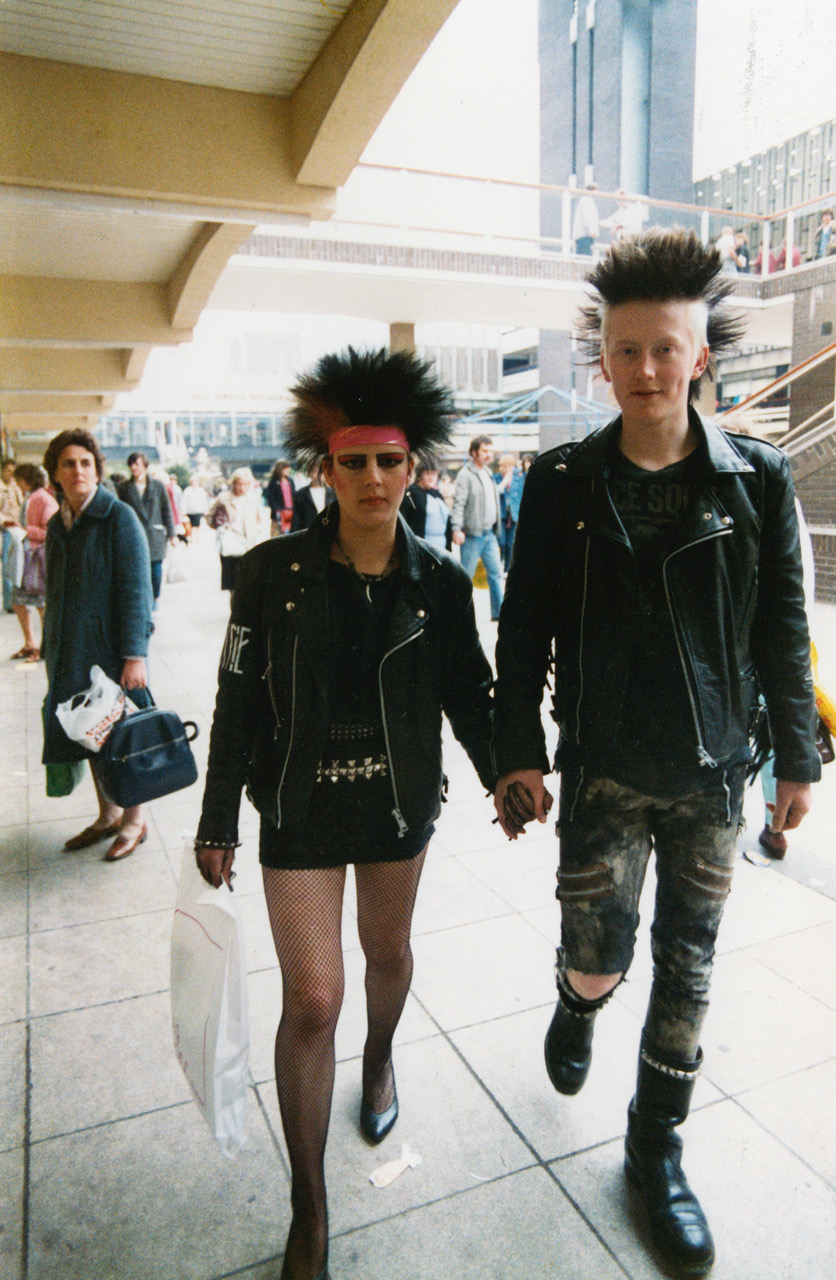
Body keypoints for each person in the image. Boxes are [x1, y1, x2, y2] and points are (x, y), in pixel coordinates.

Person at [492, 229, 820, 1278]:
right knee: (600, 954)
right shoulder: (559, 483)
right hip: (599, 768)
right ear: (602, 356)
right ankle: (574, 997)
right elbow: (521, 628)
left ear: (699, 357)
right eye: (625, 351)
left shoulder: (756, 482)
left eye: (664, 350)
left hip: (715, 776)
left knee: (687, 967)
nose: (644, 371)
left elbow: (782, 627)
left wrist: (798, 763)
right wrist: (515, 752)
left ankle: (654, 1151)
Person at [193, 347, 495, 1280]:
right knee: (313, 998)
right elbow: (237, 696)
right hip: (297, 811)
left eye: (389, 460)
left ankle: (382, 1058)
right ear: (324, 468)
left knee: (388, 957)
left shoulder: (439, 580)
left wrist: (506, 772)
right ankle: (310, 1207)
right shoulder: (270, 572)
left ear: (415, 467)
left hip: (398, 803)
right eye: (352, 461)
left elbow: (468, 693)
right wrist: (215, 821)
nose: (371, 478)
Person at [42, 428, 153, 862]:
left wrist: (135, 654)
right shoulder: (57, 523)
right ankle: (107, 816)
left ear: (97, 469)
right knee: (86, 733)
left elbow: (135, 589)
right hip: (70, 651)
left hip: (110, 653)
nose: (78, 470)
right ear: (56, 473)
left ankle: (133, 820)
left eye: (85, 462)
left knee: (123, 737)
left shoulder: (118, 516)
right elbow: (55, 591)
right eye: (68, 463)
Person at [8, 464, 58, 661]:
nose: (17, 483)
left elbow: (48, 531)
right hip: (30, 556)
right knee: (20, 601)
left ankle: (43, 647)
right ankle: (31, 643)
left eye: (19, 479)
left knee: (40, 603)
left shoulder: (42, 498)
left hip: (38, 558)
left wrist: (24, 529)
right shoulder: (32, 497)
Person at [451, 435, 504, 621]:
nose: (489, 454)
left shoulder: (488, 473)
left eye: (490, 450)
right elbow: (459, 503)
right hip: (472, 535)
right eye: (484, 451)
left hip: (489, 534)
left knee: (496, 574)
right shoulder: (466, 474)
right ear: (474, 453)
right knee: (466, 577)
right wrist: (456, 528)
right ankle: (459, 616)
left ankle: (500, 614)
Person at [117, 453, 176, 605]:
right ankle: (145, 599)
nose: (133, 467)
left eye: (136, 464)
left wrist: (172, 534)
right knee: (139, 570)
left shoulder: (157, 486)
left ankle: (155, 596)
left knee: (156, 570)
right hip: (134, 534)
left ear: (145, 466)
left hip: (154, 534)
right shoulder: (124, 488)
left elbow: (166, 510)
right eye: (131, 464)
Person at [206, 468, 266, 601]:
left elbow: (260, 520)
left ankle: (244, 615)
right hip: (230, 546)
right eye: (239, 484)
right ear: (233, 483)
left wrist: (256, 529)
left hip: (247, 545)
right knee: (233, 586)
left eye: (245, 484)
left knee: (247, 583)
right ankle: (235, 616)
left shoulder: (253, 499)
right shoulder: (223, 498)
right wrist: (221, 528)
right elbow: (210, 517)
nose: (242, 487)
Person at [400, 460, 451, 551]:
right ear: (420, 475)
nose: (431, 478)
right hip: (423, 546)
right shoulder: (411, 493)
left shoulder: (437, 494)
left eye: (434, 474)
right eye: (427, 474)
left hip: (442, 545)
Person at [1, 459, 23, 614]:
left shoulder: (17, 487)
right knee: (8, 564)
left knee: (18, 564)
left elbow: (22, 505)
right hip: (6, 529)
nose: (10, 473)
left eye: (13, 470)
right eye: (7, 470)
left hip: (19, 529)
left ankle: (17, 600)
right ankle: (9, 603)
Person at [496, 452, 524, 568]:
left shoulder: (518, 479)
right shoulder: (497, 478)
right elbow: (498, 491)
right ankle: (500, 563)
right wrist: (505, 481)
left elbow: (520, 496)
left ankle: (507, 567)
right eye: (505, 466)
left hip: (513, 515)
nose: (507, 469)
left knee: (510, 544)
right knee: (501, 542)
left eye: (510, 466)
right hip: (501, 514)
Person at [292, 465, 335, 531]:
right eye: (315, 471)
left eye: (321, 472)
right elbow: (296, 519)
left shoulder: (332, 493)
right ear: (309, 474)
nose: (318, 475)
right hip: (308, 533)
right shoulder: (301, 494)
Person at [266, 459, 297, 536]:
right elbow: (271, 498)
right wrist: (277, 510)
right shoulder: (273, 482)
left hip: (291, 511)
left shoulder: (290, 480)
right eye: (286, 468)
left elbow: (294, 495)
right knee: (278, 534)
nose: (288, 470)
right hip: (279, 513)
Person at [572, 182, 600, 256]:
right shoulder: (587, 201)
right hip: (584, 236)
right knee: (585, 257)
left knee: (582, 256)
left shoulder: (586, 201)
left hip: (583, 236)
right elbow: (587, 216)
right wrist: (592, 229)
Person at [181, 474, 209, 541]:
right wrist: (183, 510)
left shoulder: (200, 491)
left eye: (195, 481)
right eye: (193, 481)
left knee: (198, 526)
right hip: (190, 511)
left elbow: (204, 501)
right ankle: (192, 538)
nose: (194, 483)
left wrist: (205, 510)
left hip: (198, 510)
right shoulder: (187, 490)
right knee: (190, 526)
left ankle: (198, 538)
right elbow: (184, 501)